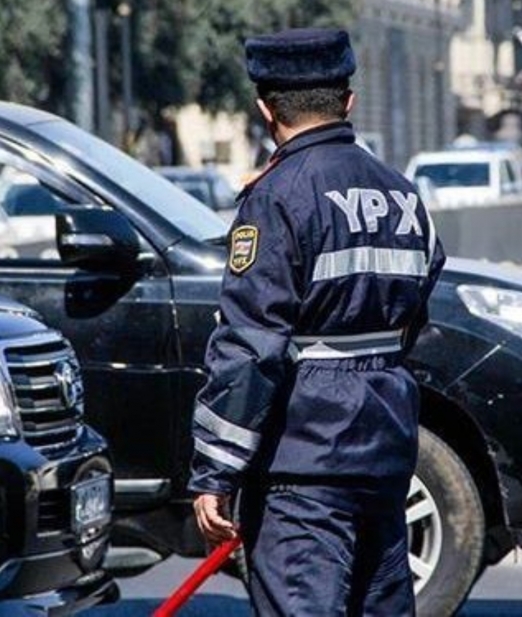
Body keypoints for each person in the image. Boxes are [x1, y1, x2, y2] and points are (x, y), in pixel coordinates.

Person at [189, 28, 445, 616]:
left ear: (265, 110)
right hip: (386, 447)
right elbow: (417, 312)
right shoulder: (403, 195)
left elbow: (250, 346)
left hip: (304, 463)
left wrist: (215, 473)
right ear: (348, 101)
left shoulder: (277, 198)